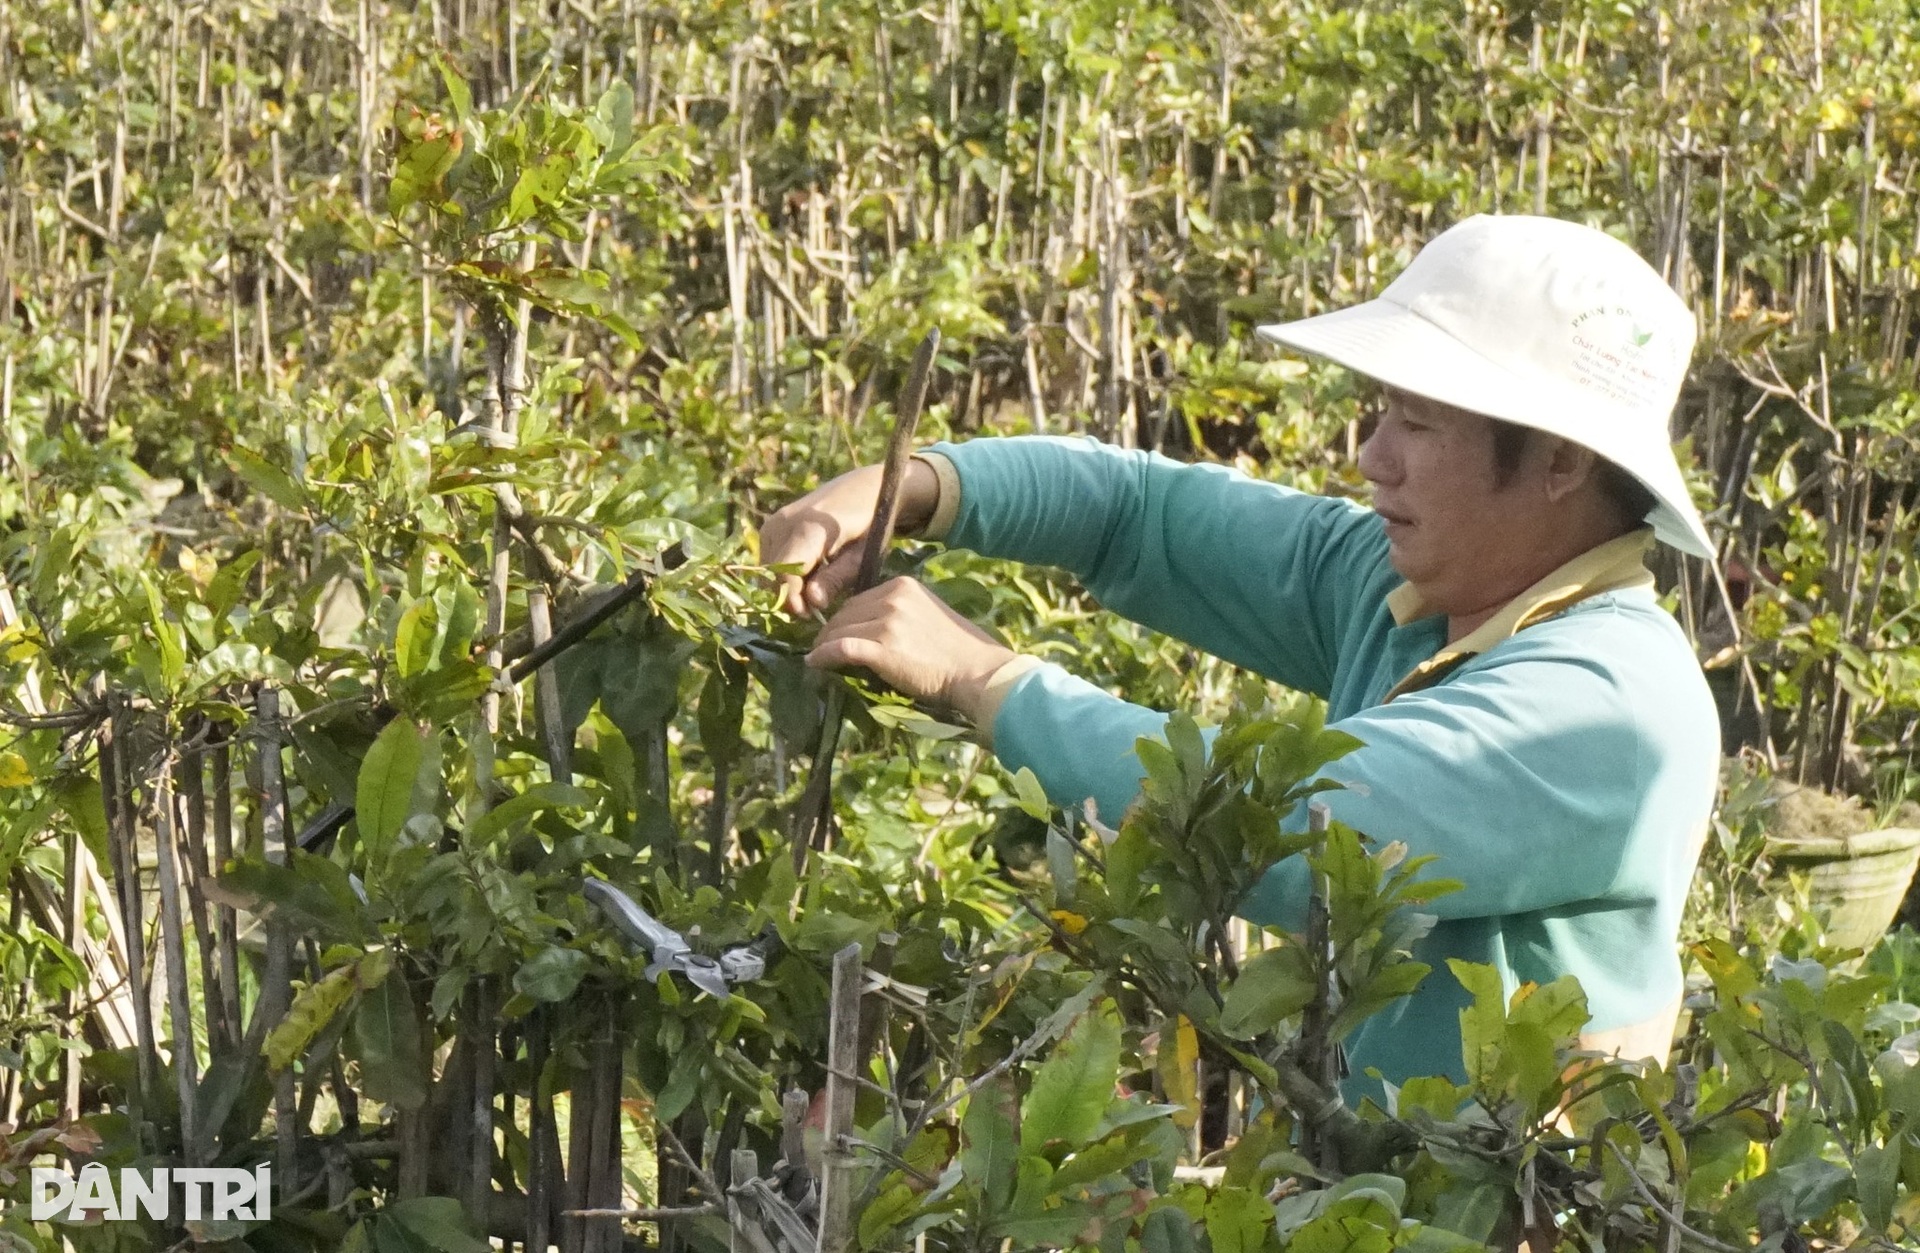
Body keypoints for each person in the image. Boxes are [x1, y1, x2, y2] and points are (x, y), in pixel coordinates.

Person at [759, 215, 1721, 1100]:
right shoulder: (1418, 594)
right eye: (1381, 411)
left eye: (1417, 423)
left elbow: (1297, 833)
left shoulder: (1614, 707)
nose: (1373, 457)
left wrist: (984, 676)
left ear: (1560, 461)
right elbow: (1142, 515)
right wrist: (924, 486)